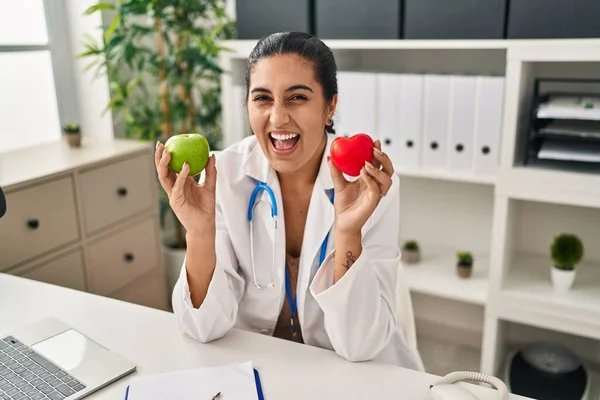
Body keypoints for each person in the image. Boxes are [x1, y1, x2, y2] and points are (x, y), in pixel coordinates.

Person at [155, 31, 423, 370]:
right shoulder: (225, 175)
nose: (278, 118)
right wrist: (198, 233)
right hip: (262, 371)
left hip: (350, 376)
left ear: (330, 107)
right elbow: (202, 328)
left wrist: (348, 232)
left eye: (297, 98)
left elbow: (361, 346)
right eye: (263, 98)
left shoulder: (371, 183)